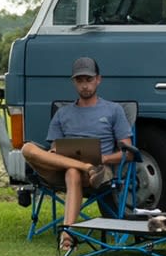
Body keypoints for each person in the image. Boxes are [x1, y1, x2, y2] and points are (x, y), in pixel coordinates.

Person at [20, 55, 133, 242]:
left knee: (72, 172)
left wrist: (103, 159)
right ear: (74, 82)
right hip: (63, 168)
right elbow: (55, 146)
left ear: (98, 79)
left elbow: (128, 153)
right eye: (80, 81)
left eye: (89, 80)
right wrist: (56, 152)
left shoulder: (113, 110)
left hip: (99, 171)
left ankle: (68, 234)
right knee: (27, 148)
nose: (85, 85)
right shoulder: (63, 113)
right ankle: (84, 166)